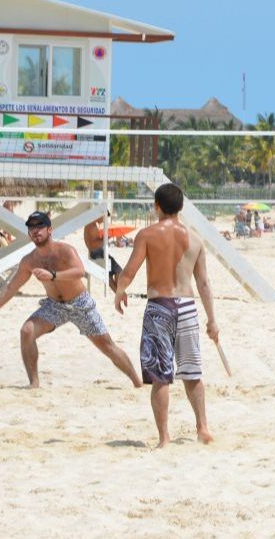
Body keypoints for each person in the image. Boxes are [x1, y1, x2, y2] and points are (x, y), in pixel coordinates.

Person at [0, 211, 142, 390]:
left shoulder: (65, 251)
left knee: (107, 346)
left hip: (80, 304)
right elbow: (10, 288)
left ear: (49, 230)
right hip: (54, 306)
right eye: (32, 228)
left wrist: (53, 275)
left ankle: (137, 382)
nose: (35, 231)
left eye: (40, 227)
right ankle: (34, 383)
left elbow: (79, 272)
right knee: (26, 331)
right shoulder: (29, 260)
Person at [115, 183, 212, 447]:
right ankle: (202, 427)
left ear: (157, 206)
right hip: (188, 307)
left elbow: (130, 271)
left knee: (161, 377)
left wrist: (120, 291)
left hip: (160, 307)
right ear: (181, 208)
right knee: (192, 372)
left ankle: (164, 438)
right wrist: (212, 320)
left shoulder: (148, 234)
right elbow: (203, 283)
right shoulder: (195, 239)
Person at [84, 213, 123, 291]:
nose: (103, 221)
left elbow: (94, 242)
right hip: (97, 253)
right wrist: (106, 239)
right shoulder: (91, 226)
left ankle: (119, 293)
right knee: (119, 270)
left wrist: (105, 238)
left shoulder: (91, 225)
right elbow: (92, 245)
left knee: (109, 276)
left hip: (97, 252)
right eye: (104, 218)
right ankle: (119, 293)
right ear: (101, 215)